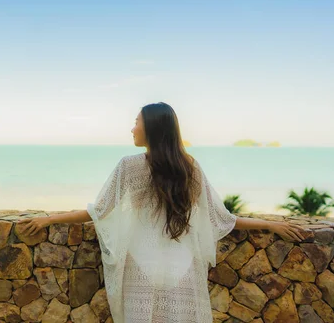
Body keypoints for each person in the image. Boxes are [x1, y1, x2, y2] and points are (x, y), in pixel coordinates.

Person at [18, 102, 306, 323]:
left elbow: (99, 211)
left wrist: (49, 219)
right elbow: (221, 218)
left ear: (152, 129)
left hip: (141, 266)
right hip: (182, 266)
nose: (132, 129)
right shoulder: (188, 167)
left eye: (136, 123)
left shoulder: (129, 166)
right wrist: (270, 224)